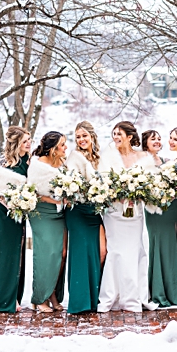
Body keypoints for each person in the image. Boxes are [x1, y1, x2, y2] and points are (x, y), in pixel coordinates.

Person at [98, 120, 151, 313]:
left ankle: (133, 297)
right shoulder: (108, 157)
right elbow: (102, 182)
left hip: (135, 213)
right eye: (114, 134)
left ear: (130, 136)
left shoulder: (143, 157)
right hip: (114, 213)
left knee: (133, 252)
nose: (116, 138)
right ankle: (112, 295)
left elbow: (150, 184)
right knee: (116, 252)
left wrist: (139, 192)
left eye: (120, 134)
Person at [0, 126, 31, 313]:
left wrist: (24, 202)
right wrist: (12, 203)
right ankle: (1, 300)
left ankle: (14, 297)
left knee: (17, 253)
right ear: (16, 143)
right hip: (3, 214)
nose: (28, 143)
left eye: (29, 140)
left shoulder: (29, 161)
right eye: (25, 140)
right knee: (3, 254)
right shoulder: (2, 163)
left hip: (20, 213)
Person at [142, 128, 177, 310]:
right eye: (154, 139)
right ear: (145, 142)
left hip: (173, 209)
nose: (158, 141)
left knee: (174, 245)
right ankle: (159, 291)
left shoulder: (169, 162)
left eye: (160, 139)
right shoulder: (140, 163)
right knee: (158, 244)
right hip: (154, 211)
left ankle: (176, 291)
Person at [64, 120, 105, 314]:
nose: (81, 140)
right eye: (78, 137)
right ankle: (80, 302)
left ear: (92, 136)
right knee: (80, 253)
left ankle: (94, 299)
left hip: (95, 211)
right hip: (78, 211)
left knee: (98, 253)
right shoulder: (74, 157)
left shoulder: (99, 157)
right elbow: (70, 183)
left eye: (84, 136)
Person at [26, 130, 68, 313]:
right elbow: (33, 193)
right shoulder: (37, 167)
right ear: (53, 149)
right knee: (47, 254)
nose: (66, 148)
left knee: (62, 254)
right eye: (62, 145)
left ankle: (53, 294)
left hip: (60, 214)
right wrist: (57, 201)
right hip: (42, 213)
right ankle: (40, 297)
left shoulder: (61, 163)